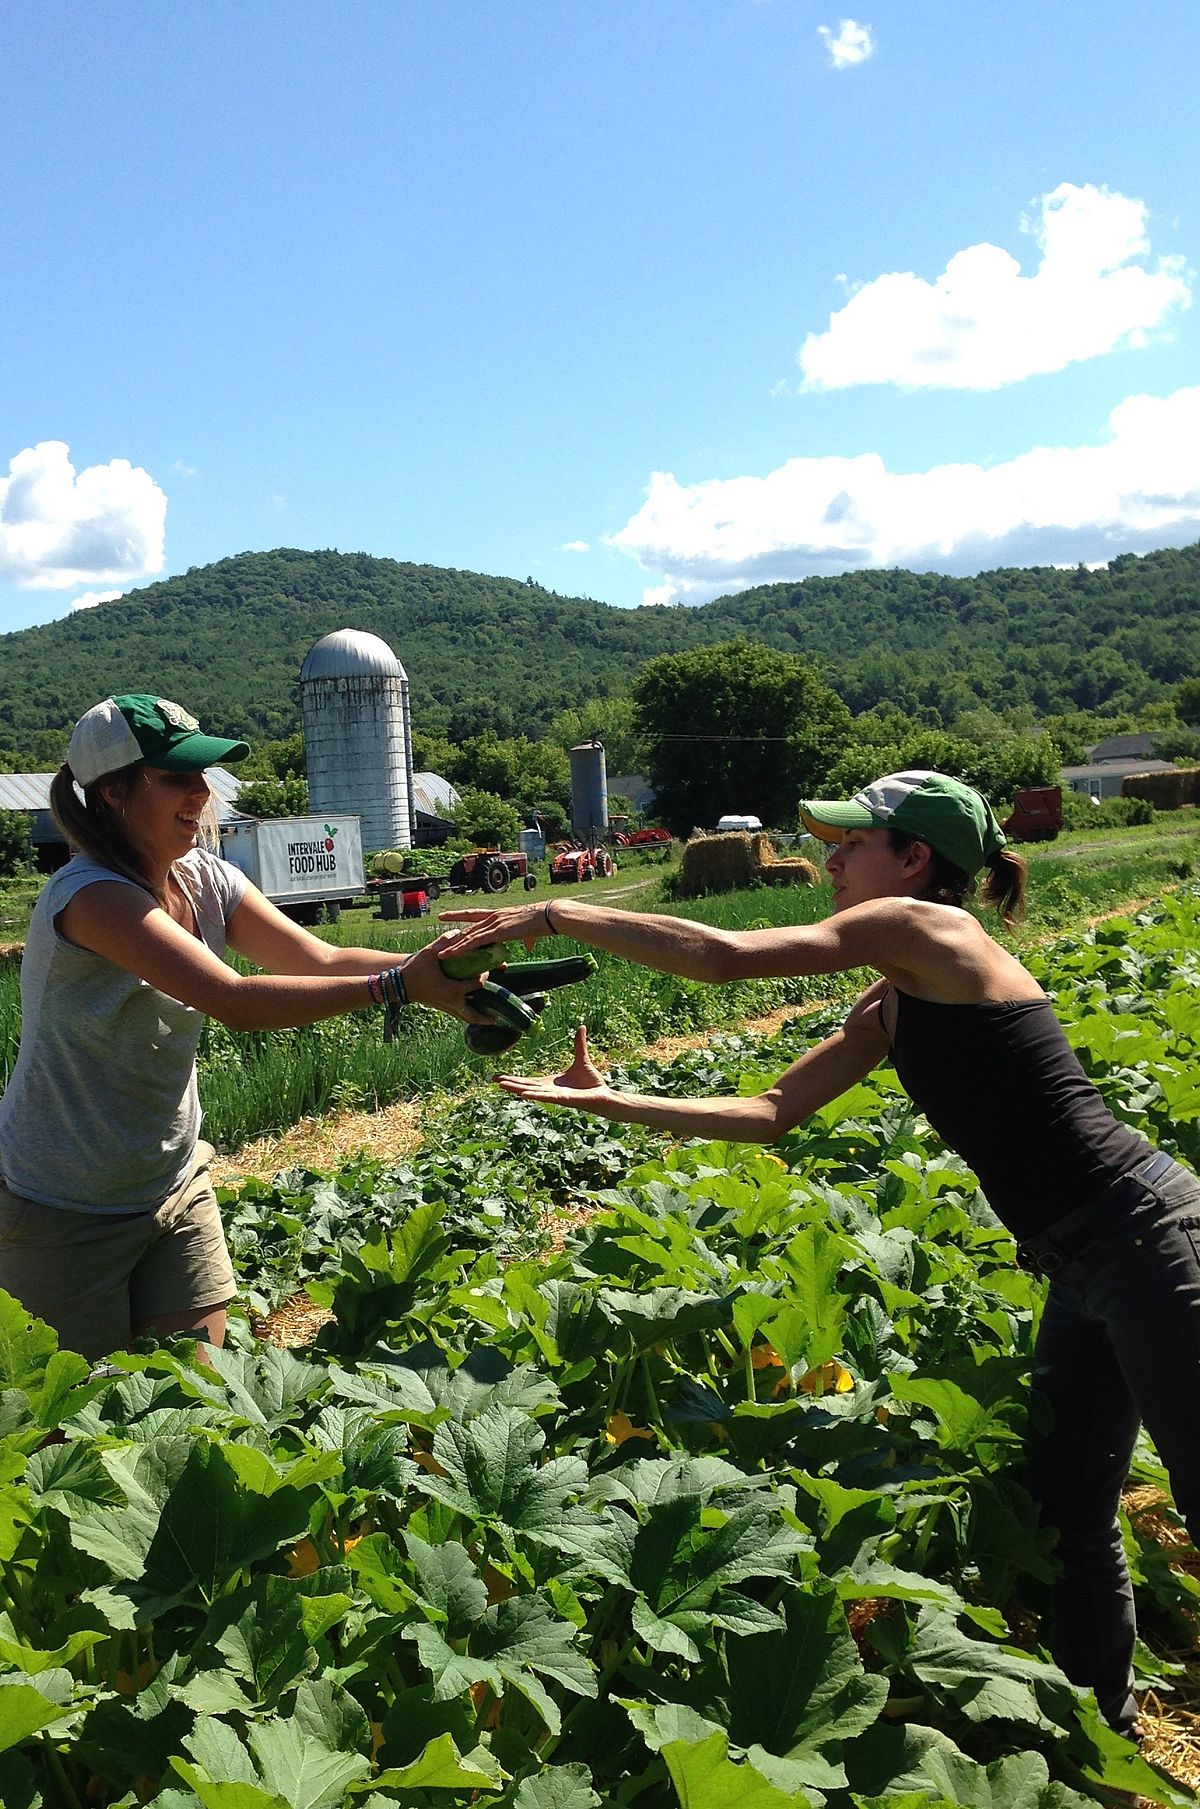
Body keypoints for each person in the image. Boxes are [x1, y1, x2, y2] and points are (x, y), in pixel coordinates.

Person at [443, 769, 1200, 1741]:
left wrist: (551, 913)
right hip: (1084, 1264)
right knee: (1066, 1505)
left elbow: (720, 959)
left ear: (917, 861)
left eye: (852, 844)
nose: (831, 861)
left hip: (1145, 1237)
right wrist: (613, 1101)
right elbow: (771, 1113)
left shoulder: (936, 933)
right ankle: (1112, 1729)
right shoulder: (897, 999)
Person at [0, 694, 480, 1367]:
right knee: (71, 1432)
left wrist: (442, 966)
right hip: (63, 1202)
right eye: (176, 778)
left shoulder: (207, 879)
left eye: (203, 775)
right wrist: (400, 986)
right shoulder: (91, 896)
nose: (202, 792)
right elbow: (235, 1000)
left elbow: (319, 960)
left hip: (172, 1181)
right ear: (112, 793)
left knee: (193, 1403)